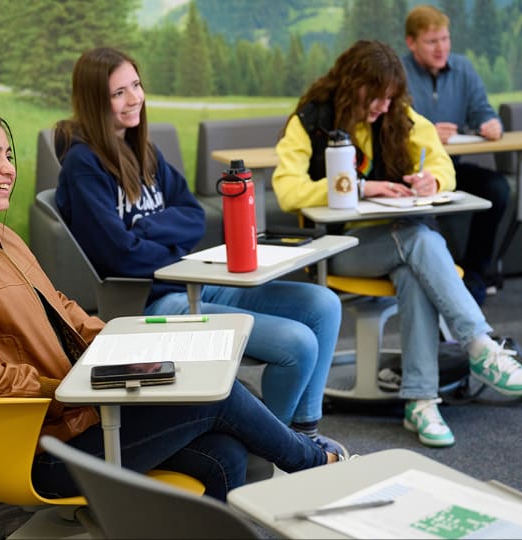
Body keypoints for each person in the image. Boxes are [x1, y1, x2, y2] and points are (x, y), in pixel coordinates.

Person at [0, 105, 348, 503]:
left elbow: (61, 308)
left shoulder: (0, 235)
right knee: (218, 395)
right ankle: (314, 464)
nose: (7, 168)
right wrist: (71, 385)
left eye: (8, 155)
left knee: (223, 452)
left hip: (82, 412)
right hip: (40, 448)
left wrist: (125, 347)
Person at [53, 46, 344, 447]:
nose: (134, 98)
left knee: (323, 305)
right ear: (94, 101)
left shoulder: (145, 153)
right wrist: (158, 244)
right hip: (150, 301)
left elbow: (193, 216)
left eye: (136, 85)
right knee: (297, 344)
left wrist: (144, 228)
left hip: (190, 281)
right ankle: (277, 447)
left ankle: (304, 432)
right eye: (118, 92)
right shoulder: (82, 165)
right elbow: (119, 254)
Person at [271, 40, 522, 448]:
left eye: (389, 97)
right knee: (417, 238)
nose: (382, 106)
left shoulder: (397, 115)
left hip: (398, 246)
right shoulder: (311, 119)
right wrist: (361, 187)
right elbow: (289, 191)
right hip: (337, 248)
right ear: (352, 85)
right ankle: (478, 344)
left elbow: (441, 165)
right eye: (375, 97)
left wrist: (431, 180)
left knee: (414, 266)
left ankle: (420, 399)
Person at [402, 4, 510, 305]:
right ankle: (442, 278)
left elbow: (484, 112)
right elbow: (390, 126)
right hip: (411, 172)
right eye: (432, 41)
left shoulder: (463, 68)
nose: (441, 48)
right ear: (411, 43)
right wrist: (426, 133)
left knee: (497, 188)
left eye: (445, 39)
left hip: (453, 168)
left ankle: (475, 275)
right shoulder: (398, 73)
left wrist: (492, 125)